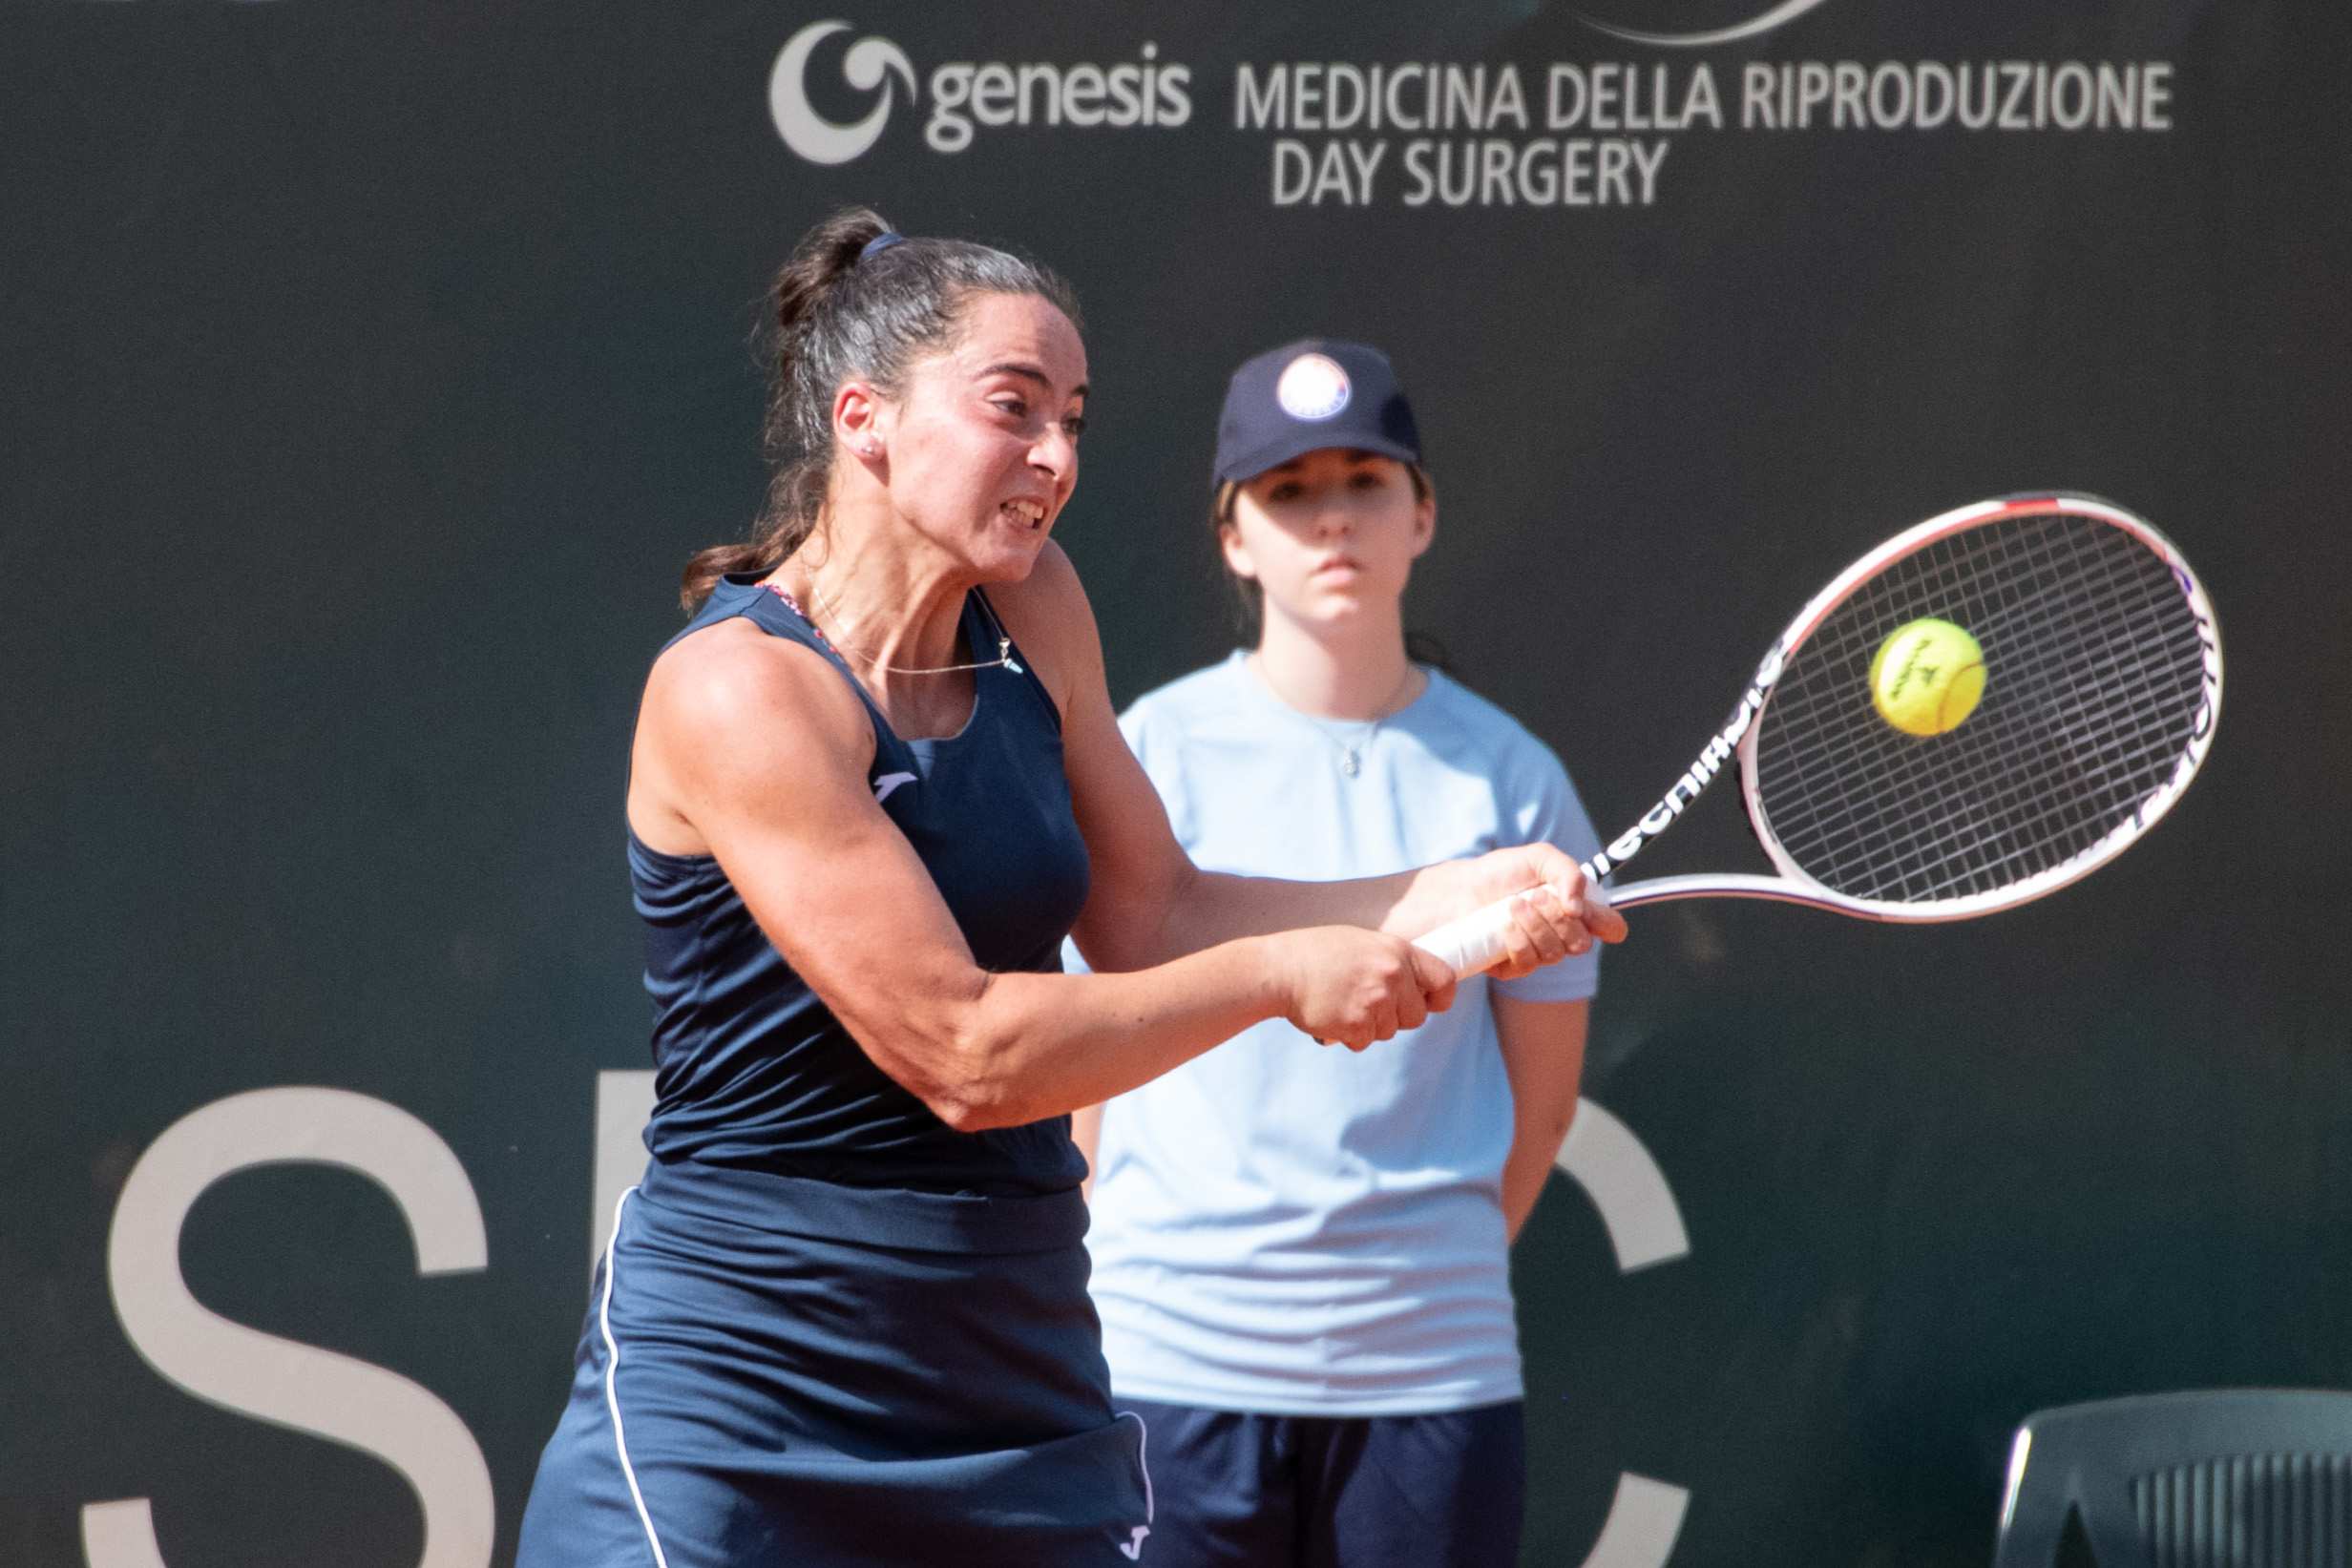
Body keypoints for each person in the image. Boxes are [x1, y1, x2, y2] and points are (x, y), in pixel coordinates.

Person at [512, 213, 1624, 1568]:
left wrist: (1437, 889)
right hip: (746, 1392)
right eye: (1014, 408)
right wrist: (1285, 976)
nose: (1057, 455)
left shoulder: (1036, 609)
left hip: (1011, 1376)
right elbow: (964, 1050)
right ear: (864, 420)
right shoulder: (737, 689)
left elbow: (1154, 910)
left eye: (1074, 419)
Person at [1070, 340, 1606, 1568]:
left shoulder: (1514, 781)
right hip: (1162, 1371)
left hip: (1432, 1379)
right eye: (1289, 490)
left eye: (1365, 481)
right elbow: (1086, 1074)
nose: (1331, 519)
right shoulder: (1151, 752)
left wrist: (1403, 1295)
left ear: (1422, 515)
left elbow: (1540, 1113)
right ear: (1233, 537)